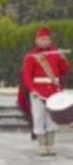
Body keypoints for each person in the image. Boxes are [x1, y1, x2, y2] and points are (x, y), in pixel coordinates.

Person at [18, 26, 68, 156]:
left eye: (46, 39)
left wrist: (63, 58)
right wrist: (32, 90)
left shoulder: (55, 53)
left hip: (53, 91)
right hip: (38, 92)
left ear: (50, 40)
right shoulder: (31, 56)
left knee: (52, 119)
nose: (44, 42)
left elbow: (64, 70)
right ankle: (42, 146)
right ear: (37, 41)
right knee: (39, 118)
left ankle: (50, 146)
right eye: (42, 39)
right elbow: (27, 76)